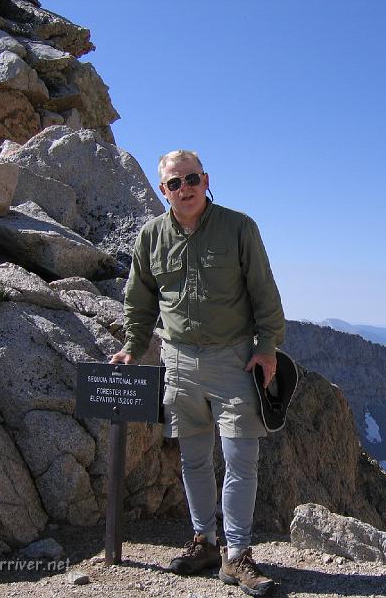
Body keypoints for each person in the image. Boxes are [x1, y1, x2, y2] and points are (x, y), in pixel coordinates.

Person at [110, 150, 285, 597]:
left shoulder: (239, 227)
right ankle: (205, 541)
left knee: (241, 459)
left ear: (206, 179)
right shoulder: (151, 236)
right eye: (174, 183)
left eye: (191, 179)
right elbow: (140, 299)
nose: (183, 188)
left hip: (234, 359)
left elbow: (264, 291)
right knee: (193, 459)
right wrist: (132, 347)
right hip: (179, 361)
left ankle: (238, 554)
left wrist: (267, 349)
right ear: (162, 188)